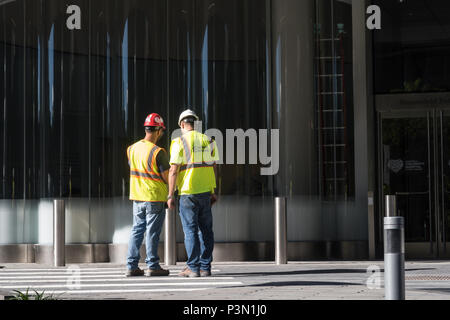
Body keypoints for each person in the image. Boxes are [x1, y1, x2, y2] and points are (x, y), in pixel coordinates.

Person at [167, 109, 219, 278]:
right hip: (205, 192)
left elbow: (173, 170)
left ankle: (193, 267)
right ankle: (205, 267)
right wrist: (213, 190)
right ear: (195, 124)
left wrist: (170, 194)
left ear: (182, 124)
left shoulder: (178, 142)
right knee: (206, 230)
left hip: (187, 193)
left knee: (190, 231)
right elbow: (214, 167)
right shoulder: (209, 140)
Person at [125, 113, 171, 277]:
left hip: (137, 197)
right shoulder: (158, 152)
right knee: (152, 232)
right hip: (154, 197)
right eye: (162, 131)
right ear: (158, 130)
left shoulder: (131, 149)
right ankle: (152, 265)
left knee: (137, 230)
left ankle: (131, 266)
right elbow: (167, 177)